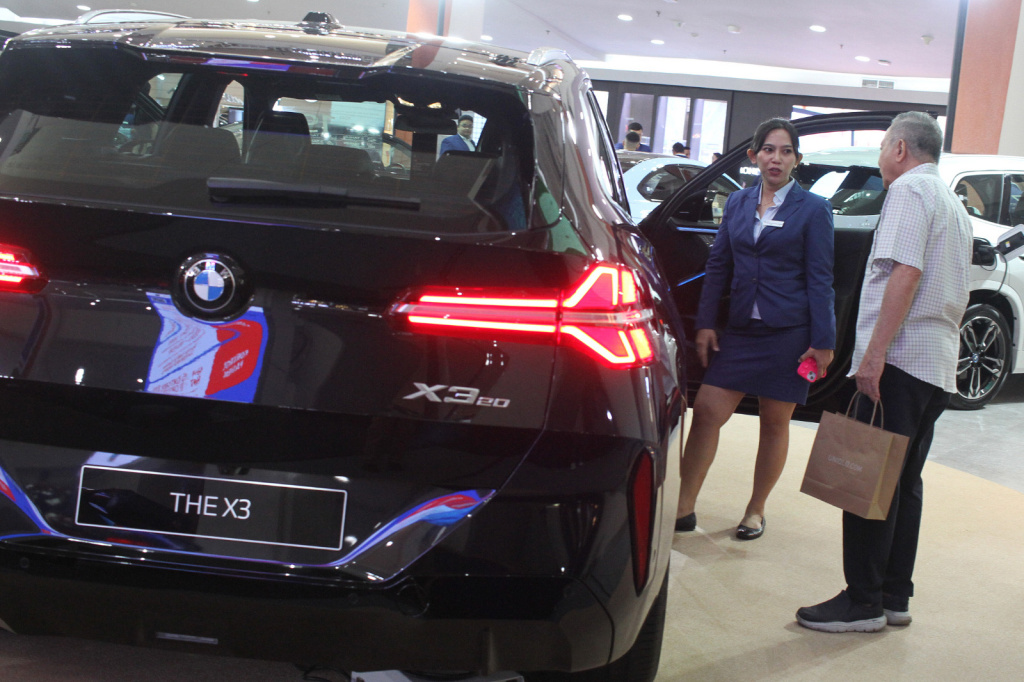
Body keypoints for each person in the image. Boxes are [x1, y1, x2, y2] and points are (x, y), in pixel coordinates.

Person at [796, 111, 972, 633]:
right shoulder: (951, 202)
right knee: (904, 482)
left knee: (869, 473)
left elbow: (905, 271)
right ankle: (894, 595)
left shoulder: (910, 193)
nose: (879, 159)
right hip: (935, 364)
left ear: (899, 149)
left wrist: (873, 356)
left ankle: (863, 601)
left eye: (881, 149)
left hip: (900, 360)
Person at [676, 117, 835, 540]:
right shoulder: (738, 203)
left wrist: (824, 342)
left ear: (797, 160)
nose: (776, 158)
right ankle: (683, 506)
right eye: (768, 149)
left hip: (790, 333)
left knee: (773, 421)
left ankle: (755, 509)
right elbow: (719, 264)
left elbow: (820, 278)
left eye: (785, 151)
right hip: (743, 329)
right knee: (708, 411)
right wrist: (706, 321)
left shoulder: (815, 209)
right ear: (753, 156)